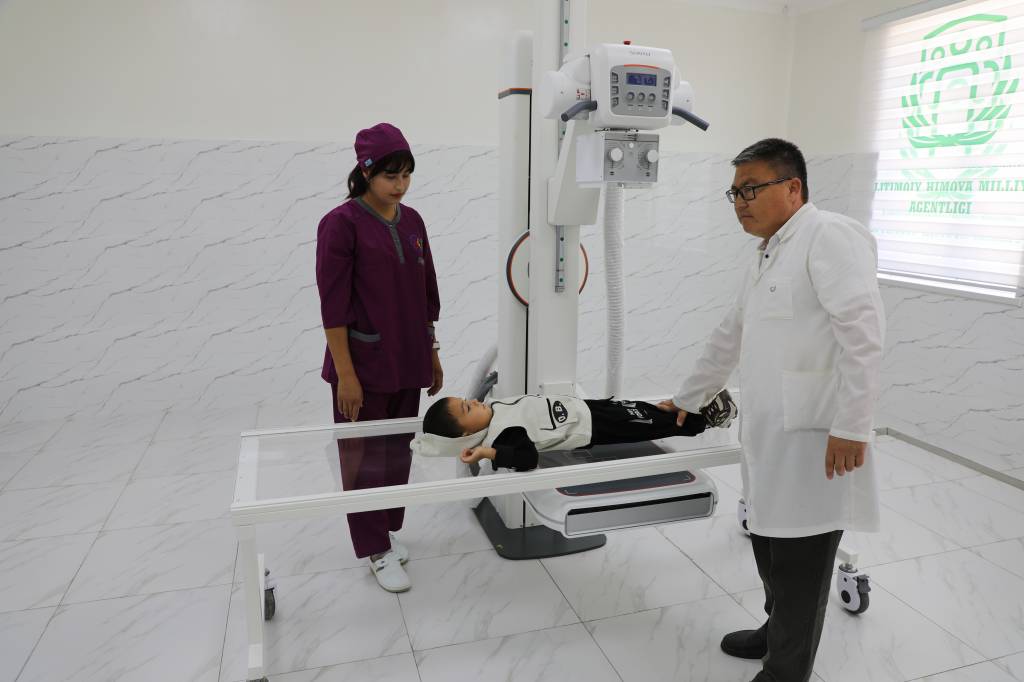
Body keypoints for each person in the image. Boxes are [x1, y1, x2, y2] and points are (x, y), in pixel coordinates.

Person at [658, 138, 885, 682]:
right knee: (769, 540)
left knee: (802, 559)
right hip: (770, 434)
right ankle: (773, 629)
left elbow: (864, 337)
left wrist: (852, 426)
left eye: (752, 188)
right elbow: (729, 335)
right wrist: (688, 399)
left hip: (817, 438)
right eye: (735, 192)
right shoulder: (766, 252)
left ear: (793, 187)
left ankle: (786, 669)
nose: (740, 202)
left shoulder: (829, 236)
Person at [315, 122, 444, 593]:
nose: (401, 184)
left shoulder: (413, 222)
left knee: (396, 452)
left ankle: (386, 532)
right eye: (391, 175)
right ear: (366, 172)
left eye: (407, 174)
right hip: (363, 365)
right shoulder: (341, 224)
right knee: (363, 459)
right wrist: (346, 376)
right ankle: (373, 548)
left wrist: (432, 353)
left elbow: (426, 294)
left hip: (408, 358)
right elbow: (333, 307)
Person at [416, 390, 737, 469]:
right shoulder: (501, 435)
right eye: (467, 409)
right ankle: (706, 419)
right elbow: (526, 458)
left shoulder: (495, 408)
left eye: (467, 401)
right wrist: (488, 454)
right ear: (466, 435)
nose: (474, 401)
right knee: (647, 425)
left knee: (638, 408)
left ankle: (692, 407)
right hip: (593, 428)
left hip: (586, 408)